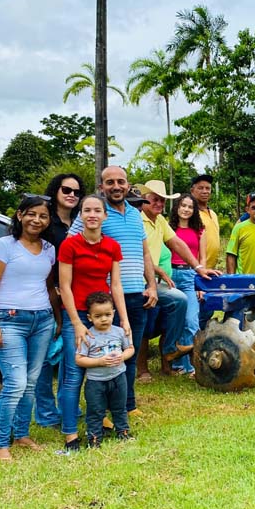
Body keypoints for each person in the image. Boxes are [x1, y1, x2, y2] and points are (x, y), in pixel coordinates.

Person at [69, 166, 155, 418]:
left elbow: (145, 253)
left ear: (127, 184)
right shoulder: (95, 213)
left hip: (136, 294)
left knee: (130, 350)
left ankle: (128, 404)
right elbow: (73, 246)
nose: (116, 186)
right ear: (101, 187)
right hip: (107, 300)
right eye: (110, 182)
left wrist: (151, 285)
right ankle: (103, 409)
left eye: (120, 181)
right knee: (106, 353)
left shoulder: (134, 214)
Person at [0, 196, 56, 461]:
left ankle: (22, 434)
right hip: (9, 319)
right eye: (32, 214)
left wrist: (55, 319)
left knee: (31, 382)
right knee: (15, 383)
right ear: (20, 215)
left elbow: (47, 286)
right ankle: (1, 443)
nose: (37, 220)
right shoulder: (4, 245)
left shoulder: (49, 248)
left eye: (43, 216)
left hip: (43, 320)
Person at [58, 194, 128, 453]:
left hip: (104, 315)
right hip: (76, 315)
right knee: (74, 376)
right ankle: (70, 435)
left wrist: (124, 319)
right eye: (86, 210)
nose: (92, 215)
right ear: (81, 215)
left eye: (97, 210)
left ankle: (103, 421)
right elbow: (64, 286)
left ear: (104, 215)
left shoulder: (111, 246)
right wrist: (76, 323)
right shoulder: (70, 245)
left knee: (108, 370)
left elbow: (116, 285)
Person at [136, 180, 219, 371]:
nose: (158, 204)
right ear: (144, 200)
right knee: (145, 326)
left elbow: (177, 244)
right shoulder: (136, 219)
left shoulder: (160, 221)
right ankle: (142, 370)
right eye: (154, 200)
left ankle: (171, 350)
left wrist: (199, 267)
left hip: (158, 281)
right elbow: (133, 253)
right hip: (136, 281)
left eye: (162, 201)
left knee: (180, 303)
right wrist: (157, 269)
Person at [34, 173, 84, 429]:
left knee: (69, 355)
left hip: (74, 296)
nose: (71, 195)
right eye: (66, 189)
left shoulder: (80, 221)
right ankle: (45, 413)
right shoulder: (44, 222)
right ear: (55, 191)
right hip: (45, 295)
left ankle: (69, 406)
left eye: (76, 191)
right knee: (42, 359)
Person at [75, 291, 134, 447]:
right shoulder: (88, 336)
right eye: (98, 316)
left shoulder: (120, 332)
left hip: (119, 377)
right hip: (96, 382)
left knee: (120, 407)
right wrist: (99, 361)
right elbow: (79, 359)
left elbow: (130, 348)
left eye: (107, 314)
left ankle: (123, 432)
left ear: (113, 313)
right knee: (95, 411)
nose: (104, 319)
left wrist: (122, 356)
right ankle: (94, 438)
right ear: (90, 317)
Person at [168, 193, 207, 374]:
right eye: (183, 205)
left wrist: (201, 285)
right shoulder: (168, 228)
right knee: (177, 321)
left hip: (190, 275)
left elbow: (202, 258)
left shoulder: (199, 229)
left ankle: (192, 364)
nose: (186, 209)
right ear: (177, 207)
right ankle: (177, 364)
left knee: (192, 320)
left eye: (190, 207)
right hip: (170, 275)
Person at [189, 174, 220, 270]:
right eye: (200, 188)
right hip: (195, 269)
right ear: (192, 191)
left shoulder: (213, 214)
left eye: (208, 188)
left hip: (210, 269)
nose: (205, 191)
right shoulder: (190, 213)